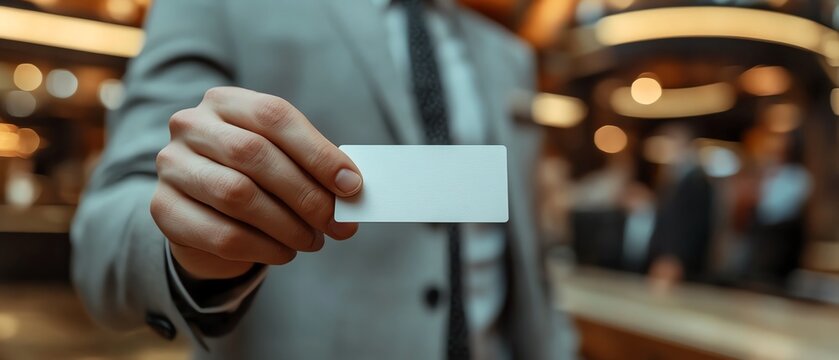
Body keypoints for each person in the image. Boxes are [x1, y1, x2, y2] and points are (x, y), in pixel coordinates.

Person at [70, 0, 577, 359]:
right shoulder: (219, 5)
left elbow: (525, 259)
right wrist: (187, 242)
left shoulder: (507, 55)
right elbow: (102, 238)